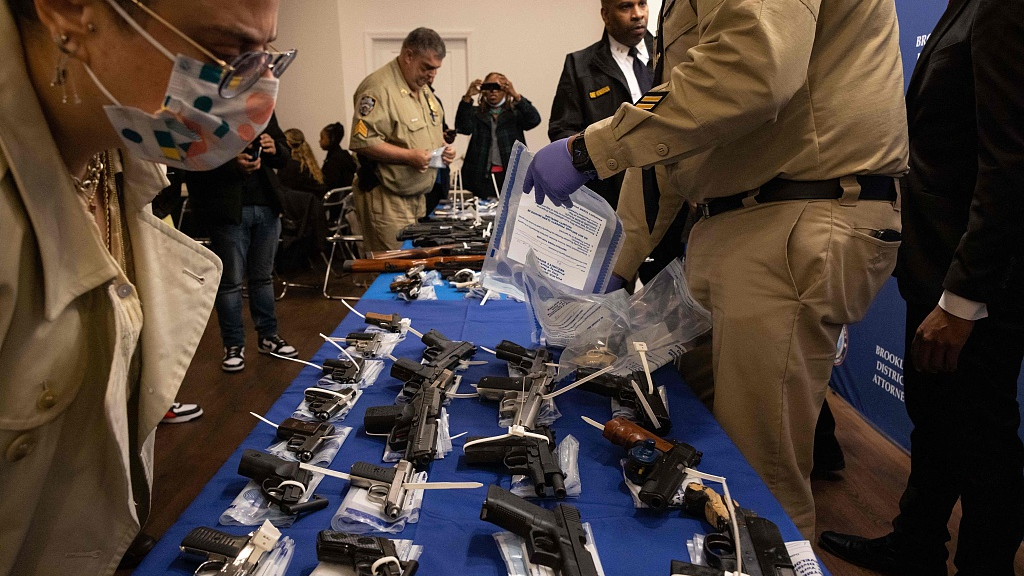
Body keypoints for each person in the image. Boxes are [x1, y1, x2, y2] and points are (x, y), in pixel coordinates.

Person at [525, 0, 908, 540]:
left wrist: (591, 149)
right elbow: (680, 139)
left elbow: (751, 69)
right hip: (734, 222)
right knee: (702, 449)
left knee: (759, 481)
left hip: (788, 213)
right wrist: (622, 261)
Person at [0, 0, 285, 573]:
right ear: (68, 12)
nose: (255, 95)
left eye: (264, 57)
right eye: (227, 54)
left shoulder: (118, 151)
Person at [818, 1, 1024, 574]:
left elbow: (1009, 162)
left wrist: (962, 300)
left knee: (986, 444)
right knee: (937, 425)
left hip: (974, 285)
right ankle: (916, 545)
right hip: (936, 268)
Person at [180, 112, 298, 372]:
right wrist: (232, 164)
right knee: (230, 283)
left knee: (263, 278)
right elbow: (192, 160)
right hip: (226, 208)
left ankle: (268, 336)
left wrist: (274, 147)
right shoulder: (205, 109)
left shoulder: (261, 105)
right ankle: (233, 345)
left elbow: (285, 154)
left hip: (266, 205)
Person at [348, 27, 455, 251]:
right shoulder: (378, 88)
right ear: (408, 56)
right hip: (387, 200)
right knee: (392, 272)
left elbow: (425, 133)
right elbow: (362, 141)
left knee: (411, 271)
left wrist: (443, 150)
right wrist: (409, 157)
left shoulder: (422, 88)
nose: (432, 75)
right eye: (427, 67)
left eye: (436, 70)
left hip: (417, 198)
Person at [548, 0, 653, 209]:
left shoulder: (669, 53)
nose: (637, 14)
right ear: (605, 15)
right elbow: (562, 131)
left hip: (674, 199)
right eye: (626, 7)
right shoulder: (580, 65)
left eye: (642, 4)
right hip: (610, 198)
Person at [456, 72, 541, 198]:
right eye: (488, 87)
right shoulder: (476, 112)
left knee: (511, 212)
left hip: (512, 172)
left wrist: (515, 95)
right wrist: (468, 97)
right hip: (480, 173)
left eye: (497, 87)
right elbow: (463, 128)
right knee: (482, 211)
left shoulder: (515, 112)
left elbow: (534, 120)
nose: (493, 91)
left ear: (505, 90)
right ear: (483, 91)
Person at [280, 127, 326, 196]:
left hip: (300, 205)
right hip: (313, 204)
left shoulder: (290, 167)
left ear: (287, 143)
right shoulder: (310, 165)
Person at [319, 121, 357, 190]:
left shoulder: (335, 160)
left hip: (336, 197)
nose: (319, 141)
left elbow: (330, 183)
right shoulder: (341, 155)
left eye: (322, 138)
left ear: (331, 139)